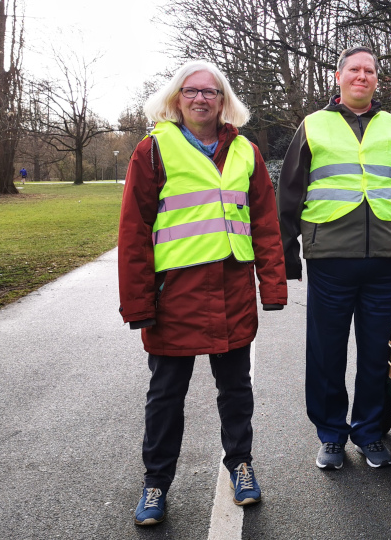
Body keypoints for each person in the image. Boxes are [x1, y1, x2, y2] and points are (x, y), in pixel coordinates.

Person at [118, 60, 287, 526]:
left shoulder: (247, 153)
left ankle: (242, 466)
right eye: (191, 91)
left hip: (233, 294)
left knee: (236, 388)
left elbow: (265, 226)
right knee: (166, 394)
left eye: (210, 92)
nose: (200, 99)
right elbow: (134, 232)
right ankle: (155, 484)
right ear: (176, 99)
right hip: (175, 297)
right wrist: (138, 302)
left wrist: (271, 285)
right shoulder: (152, 151)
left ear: (223, 99)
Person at [277, 46, 391, 471]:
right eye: (354, 70)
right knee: (327, 352)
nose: (361, 76)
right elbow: (289, 193)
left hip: (386, 258)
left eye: (369, 70)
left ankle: (368, 432)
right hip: (330, 257)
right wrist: (288, 255)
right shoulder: (313, 126)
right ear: (338, 77)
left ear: (376, 80)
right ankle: (331, 434)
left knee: (374, 352)